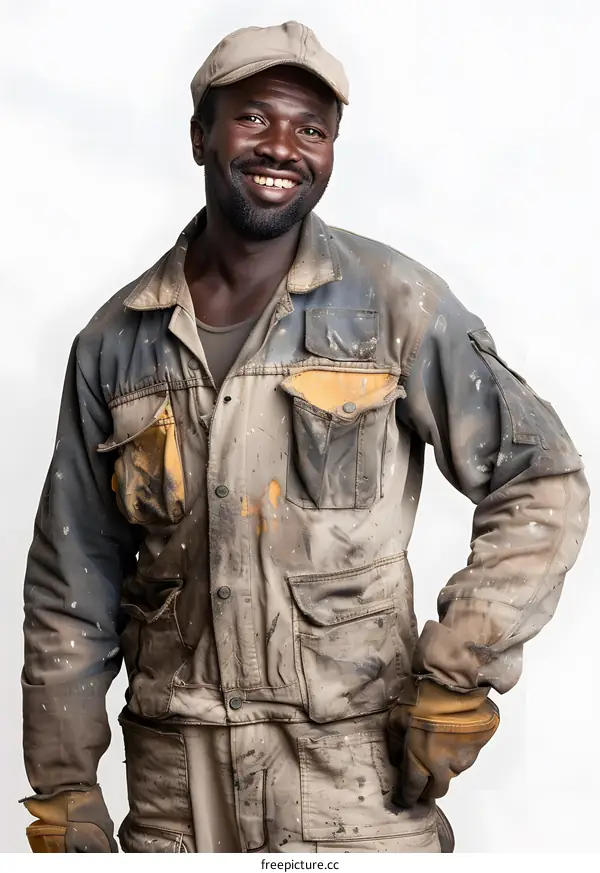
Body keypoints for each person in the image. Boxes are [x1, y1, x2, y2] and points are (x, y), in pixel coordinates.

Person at [20, 20, 589, 854]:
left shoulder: (393, 303)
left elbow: (541, 477)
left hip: (352, 782)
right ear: (199, 136)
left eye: (312, 129)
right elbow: (72, 584)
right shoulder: (115, 344)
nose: (283, 145)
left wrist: (460, 667)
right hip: (179, 793)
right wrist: (64, 784)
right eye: (254, 118)